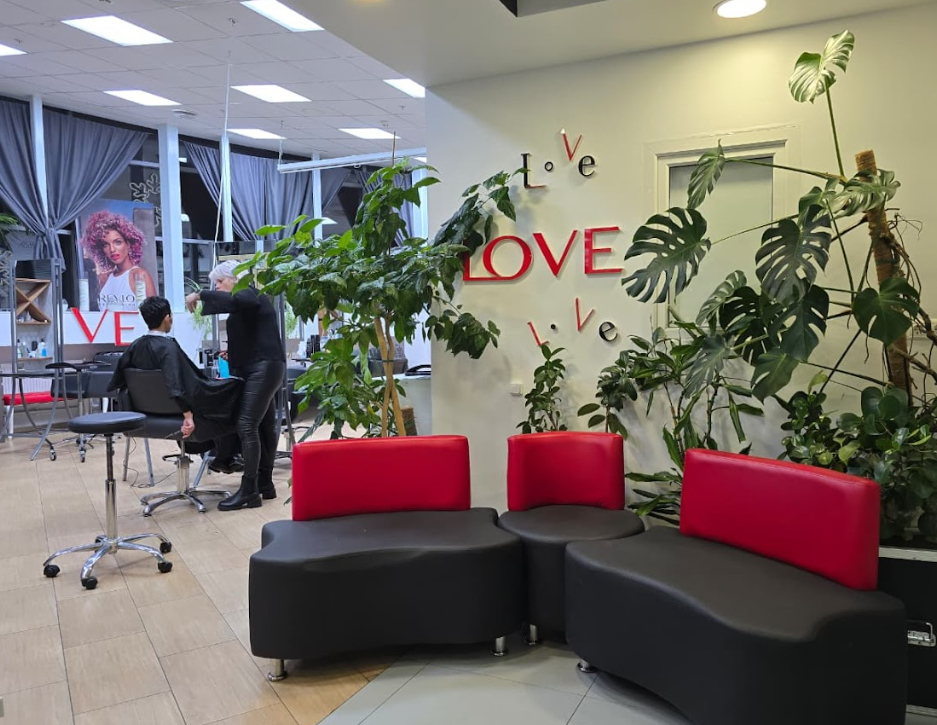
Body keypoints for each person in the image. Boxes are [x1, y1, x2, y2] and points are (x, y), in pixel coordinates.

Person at [186, 260, 285, 510]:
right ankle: (264, 484)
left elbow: (240, 300)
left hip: (263, 367)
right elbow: (250, 329)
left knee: (246, 424)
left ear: (235, 279)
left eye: (220, 281)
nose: (217, 287)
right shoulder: (246, 302)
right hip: (259, 366)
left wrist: (200, 294)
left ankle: (249, 489)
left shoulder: (249, 294)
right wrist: (235, 353)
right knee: (263, 427)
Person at [108, 296, 242, 467]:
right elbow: (176, 386)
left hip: (146, 412)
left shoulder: (135, 346)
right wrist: (188, 415)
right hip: (180, 412)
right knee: (236, 393)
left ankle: (221, 457)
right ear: (167, 317)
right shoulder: (168, 348)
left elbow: (119, 379)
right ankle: (224, 458)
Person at [81, 211, 156, 311]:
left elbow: (154, 315)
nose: (112, 249)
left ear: (128, 244)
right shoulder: (105, 278)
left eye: (117, 242)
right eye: (105, 245)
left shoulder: (139, 275)